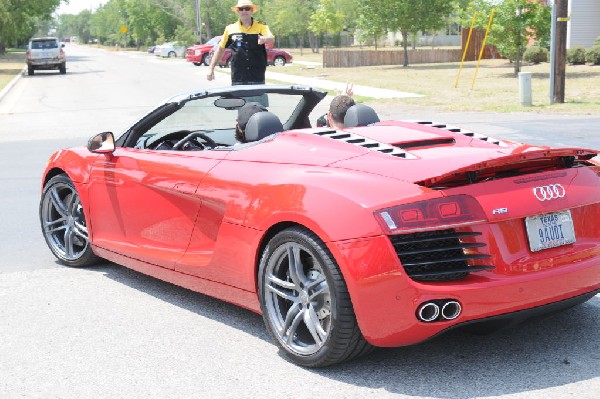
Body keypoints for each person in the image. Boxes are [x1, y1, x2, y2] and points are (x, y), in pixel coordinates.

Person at [207, 0, 275, 85]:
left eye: (247, 8)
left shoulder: (262, 26)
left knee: (258, 99)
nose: (244, 11)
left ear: (252, 11)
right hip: (238, 78)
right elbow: (220, 49)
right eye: (241, 9)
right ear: (238, 11)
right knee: (238, 98)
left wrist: (264, 39)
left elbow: (271, 39)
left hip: (257, 77)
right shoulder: (230, 28)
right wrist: (211, 68)